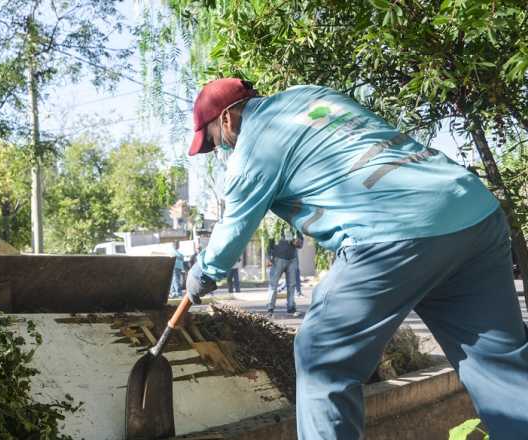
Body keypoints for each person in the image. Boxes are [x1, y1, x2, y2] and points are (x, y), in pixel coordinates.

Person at [184, 78, 528, 439]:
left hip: (392, 230)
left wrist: (203, 273)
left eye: (214, 143)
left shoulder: (253, 151)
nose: (222, 151)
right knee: (499, 365)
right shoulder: (309, 95)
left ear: (227, 120)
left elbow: (233, 228)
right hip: (473, 211)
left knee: (322, 355)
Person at [266, 234, 299, 316]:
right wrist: (268, 258)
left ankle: (291, 307)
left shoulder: (295, 226)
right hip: (278, 259)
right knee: (273, 284)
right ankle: (270, 307)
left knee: (292, 284)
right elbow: (270, 241)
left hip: (292, 259)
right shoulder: (276, 223)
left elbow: (300, 243)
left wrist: (297, 242)